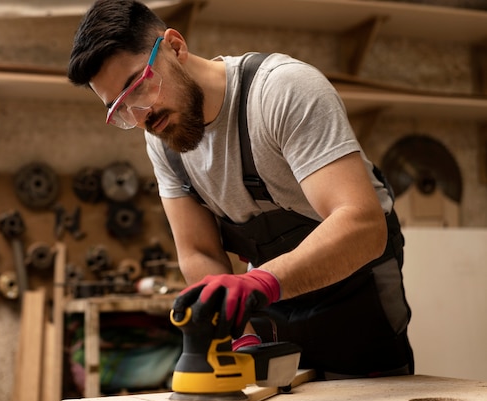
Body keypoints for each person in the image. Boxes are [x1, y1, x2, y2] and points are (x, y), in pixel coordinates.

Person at [67, 0, 414, 379]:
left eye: (138, 86)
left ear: (175, 47)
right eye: (119, 109)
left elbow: (361, 224)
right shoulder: (163, 140)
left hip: (357, 298)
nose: (140, 117)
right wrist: (237, 336)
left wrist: (260, 281)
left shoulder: (281, 91)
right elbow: (198, 250)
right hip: (271, 305)